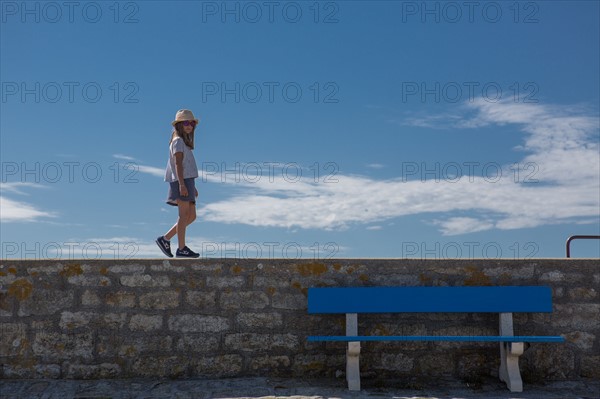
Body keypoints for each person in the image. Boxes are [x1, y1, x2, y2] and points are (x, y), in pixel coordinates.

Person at [156, 109, 201, 258]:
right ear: (179, 125)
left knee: (192, 216)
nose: (189, 126)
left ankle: (165, 238)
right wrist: (182, 184)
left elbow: (186, 166)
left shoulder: (183, 142)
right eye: (186, 123)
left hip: (187, 180)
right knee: (183, 215)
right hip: (179, 180)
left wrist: (191, 186)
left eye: (192, 123)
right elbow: (178, 164)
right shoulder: (177, 141)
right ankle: (181, 248)